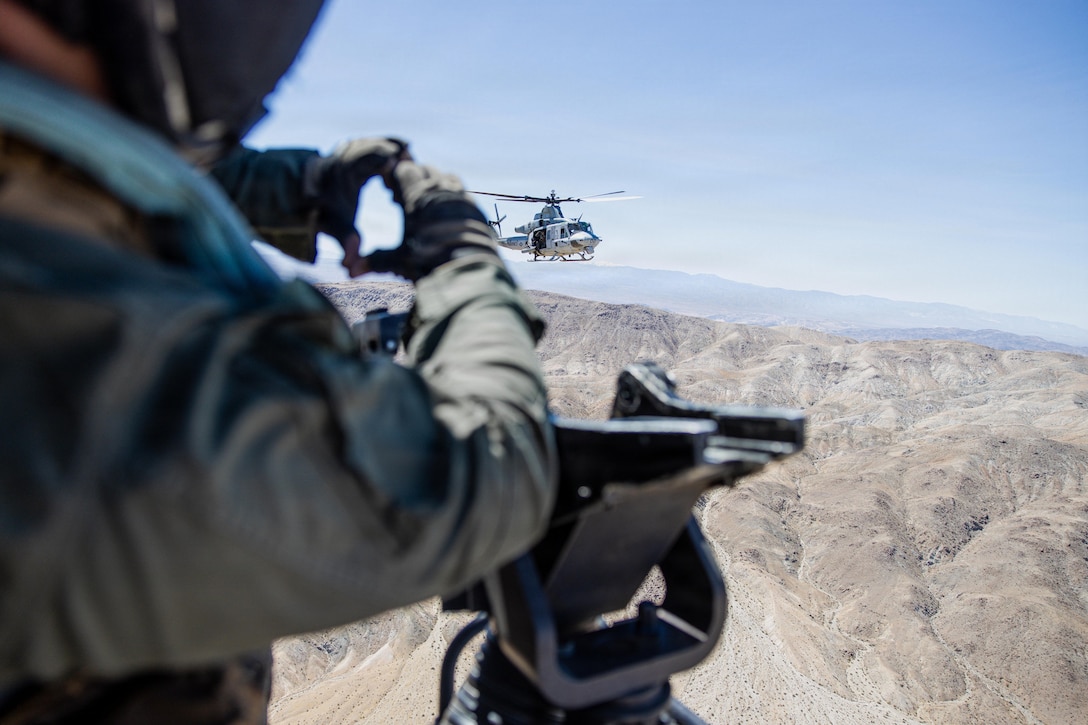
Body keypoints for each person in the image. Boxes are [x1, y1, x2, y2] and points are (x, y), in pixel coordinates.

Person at [0, 1, 556, 722]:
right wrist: (466, 263)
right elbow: (476, 467)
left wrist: (305, 186)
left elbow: (103, 169)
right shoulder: (83, 348)